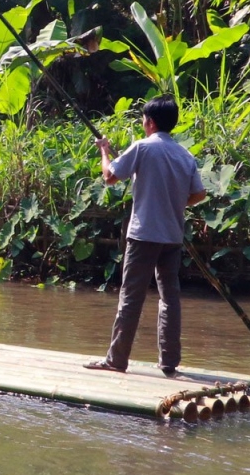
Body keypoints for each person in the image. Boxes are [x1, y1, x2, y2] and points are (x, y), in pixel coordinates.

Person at [85, 95, 208, 377]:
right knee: (170, 298)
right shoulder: (184, 155)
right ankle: (169, 363)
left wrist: (104, 150)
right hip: (172, 237)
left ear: (149, 122)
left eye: (143, 119)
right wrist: (176, 202)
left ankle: (117, 360)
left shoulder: (142, 147)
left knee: (131, 297)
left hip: (143, 236)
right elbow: (199, 194)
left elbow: (109, 176)